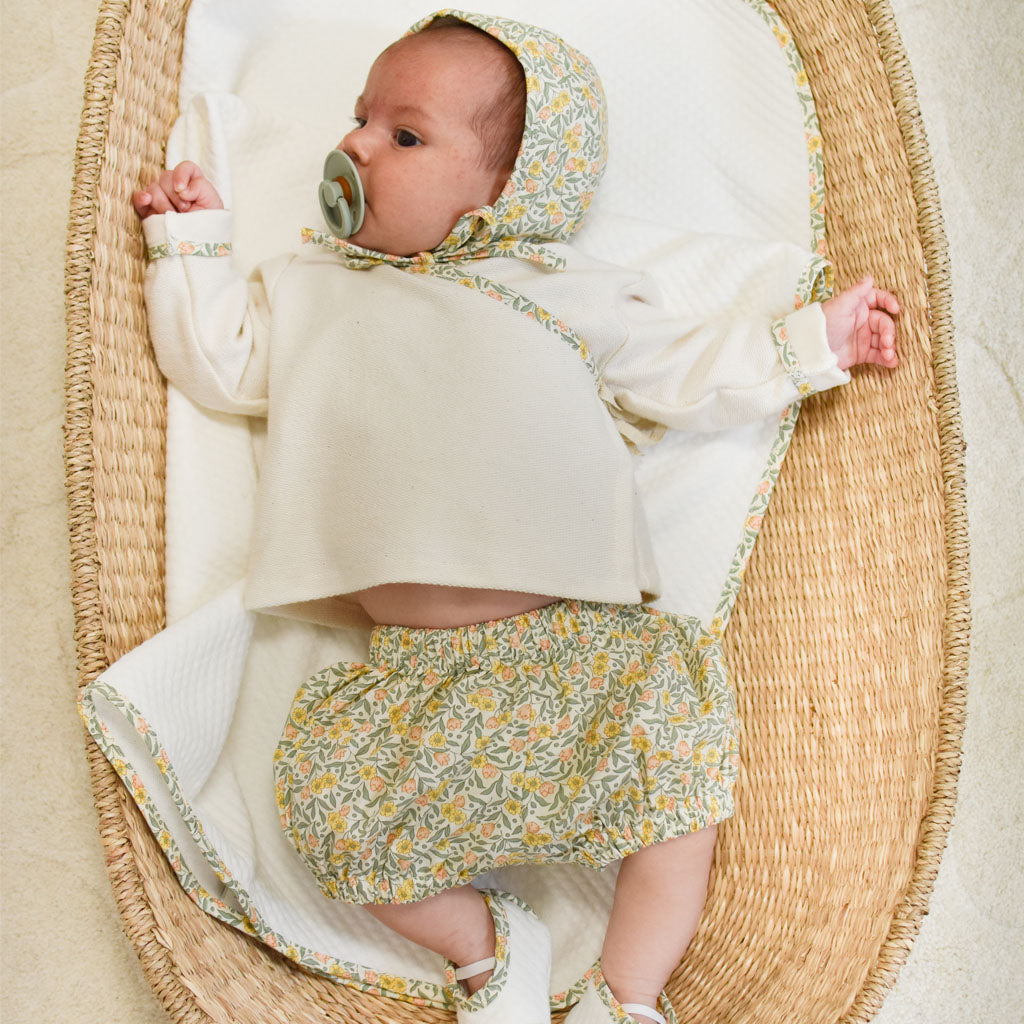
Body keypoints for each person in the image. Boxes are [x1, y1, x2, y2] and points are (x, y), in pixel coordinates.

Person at [132, 10, 899, 1024]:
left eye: (404, 136)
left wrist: (811, 342)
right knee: (332, 817)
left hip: (573, 644)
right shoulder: (313, 289)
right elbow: (220, 362)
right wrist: (191, 240)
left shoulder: (553, 288)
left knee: (679, 765)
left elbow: (682, 367)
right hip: (409, 674)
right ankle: (488, 947)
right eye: (360, 118)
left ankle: (622, 994)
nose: (356, 144)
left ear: (507, 188)